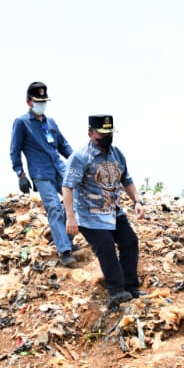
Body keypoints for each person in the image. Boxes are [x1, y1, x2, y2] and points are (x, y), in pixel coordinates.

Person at [63, 114, 143, 307]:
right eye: (102, 134)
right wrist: (70, 217)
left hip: (113, 212)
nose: (106, 138)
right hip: (89, 215)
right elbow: (67, 186)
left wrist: (138, 201)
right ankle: (116, 291)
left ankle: (131, 286)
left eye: (109, 133)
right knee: (106, 247)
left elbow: (127, 180)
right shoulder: (81, 157)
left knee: (130, 242)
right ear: (90, 133)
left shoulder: (117, 154)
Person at [10, 81, 77, 265]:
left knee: (75, 202)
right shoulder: (22, 123)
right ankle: (64, 251)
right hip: (41, 172)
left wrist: (77, 162)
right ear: (29, 102)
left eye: (44, 101)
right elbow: (15, 150)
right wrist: (20, 174)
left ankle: (65, 240)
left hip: (60, 169)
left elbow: (63, 145)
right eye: (38, 101)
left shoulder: (51, 122)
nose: (42, 104)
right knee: (54, 207)